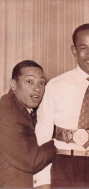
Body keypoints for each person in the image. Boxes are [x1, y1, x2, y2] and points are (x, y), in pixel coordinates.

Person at [33, 23, 89, 188]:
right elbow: (42, 137)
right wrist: (42, 181)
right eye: (83, 48)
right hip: (64, 166)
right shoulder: (56, 86)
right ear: (74, 50)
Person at [0, 60, 56, 188]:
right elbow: (33, 161)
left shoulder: (20, 109)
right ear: (13, 84)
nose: (37, 88)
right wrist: (61, 139)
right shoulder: (7, 113)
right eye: (29, 81)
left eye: (42, 83)